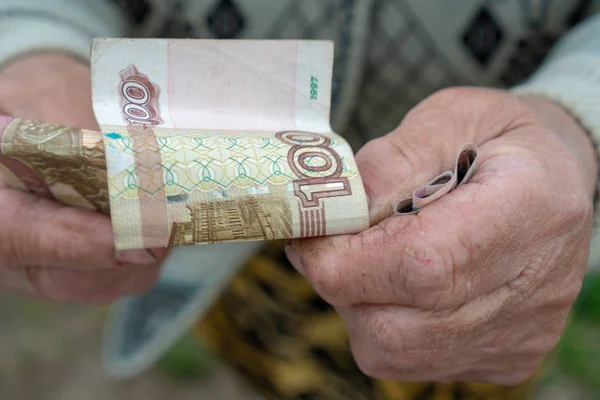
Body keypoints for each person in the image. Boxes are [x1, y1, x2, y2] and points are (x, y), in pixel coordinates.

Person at [0, 0, 599, 398]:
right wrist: (33, 42)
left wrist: (572, 122)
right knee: (262, 361)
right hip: (218, 235)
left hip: (490, 243)